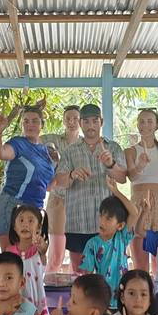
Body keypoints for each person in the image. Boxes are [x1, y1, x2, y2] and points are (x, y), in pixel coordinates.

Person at [54, 103, 126, 270]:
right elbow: (59, 181)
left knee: (108, 275)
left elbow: (122, 178)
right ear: (80, 124)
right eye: (86, 121)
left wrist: (110, 164)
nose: (91, 125)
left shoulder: (113, 148)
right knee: (81, 276)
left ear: (101, 122)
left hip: (108, 223)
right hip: (78, 222)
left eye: (95, 121)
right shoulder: (70, 151)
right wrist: (72, 174)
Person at [0, 104, 56, 249]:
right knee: (10, 254)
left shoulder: (47, 152)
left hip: (35, 210)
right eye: (26, 121)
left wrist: (71, 173)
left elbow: (48, 185)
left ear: (42, 125)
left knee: (32, 255)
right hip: (12, 205)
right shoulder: (18, 143)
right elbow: (0, 153)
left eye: (35, 121)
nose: (30, 124)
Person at [124, 108, 158, 270]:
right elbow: (131, 176)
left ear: (156, 125)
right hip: (139, 203)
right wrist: (140, 165)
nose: (145, 125)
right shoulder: (131, 151)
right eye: (141, 121)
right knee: (139, 263)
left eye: (149, 121)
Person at [80, 177, 141, 307]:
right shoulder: (92, 244)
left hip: (123, 300)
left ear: (120, 225)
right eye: (101, 216)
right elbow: (87, 275)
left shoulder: (122, 237)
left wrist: (116, 191)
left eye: (108, 219)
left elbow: (134, 213)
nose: (102, 221)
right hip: (102, 300)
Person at [44, 105, 81, 272]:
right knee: (57, 254)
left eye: (75, 118)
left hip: (80, 202)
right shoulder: (53, 140)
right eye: (68, 118)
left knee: (79, 257)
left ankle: (78, 293)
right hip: (58, 199)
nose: (72, 122)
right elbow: (31, 139)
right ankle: (47, 289)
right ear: (63, 120)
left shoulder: (86, 143)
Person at [7, 204, 49, 315]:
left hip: (37, 299)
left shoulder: (39, 250)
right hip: (16, 299)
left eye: (30, 221)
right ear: (14, 227)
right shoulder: (9, 252)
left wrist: (41, 245)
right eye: (21, 220)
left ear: (39, 227)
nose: (25, 224)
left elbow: (44, 249)